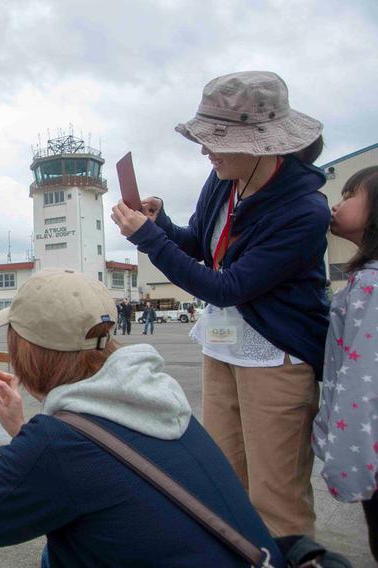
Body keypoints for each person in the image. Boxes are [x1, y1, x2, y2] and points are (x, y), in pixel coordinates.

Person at [0, 268, 283, 567]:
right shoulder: (158, 395)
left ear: (28, 351)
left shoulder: (57, 443)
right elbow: (100, 471)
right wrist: (21, 430)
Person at [110, 71, 328, 537]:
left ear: (260, 144)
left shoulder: (302, 211)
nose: (205, 150)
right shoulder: (223, 180)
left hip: (276, 356)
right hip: (222, 346)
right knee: (225, 479)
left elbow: (226, 286)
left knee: (277, 495)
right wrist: (161, 224)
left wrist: (148, 240)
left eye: (215, 141)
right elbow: (202, 249)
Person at [312, 166, 378, 562]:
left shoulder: (371, 286)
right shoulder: (363, 280)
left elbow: (362, 380)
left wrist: (345, 460)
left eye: (350, 195)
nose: (337, 203)